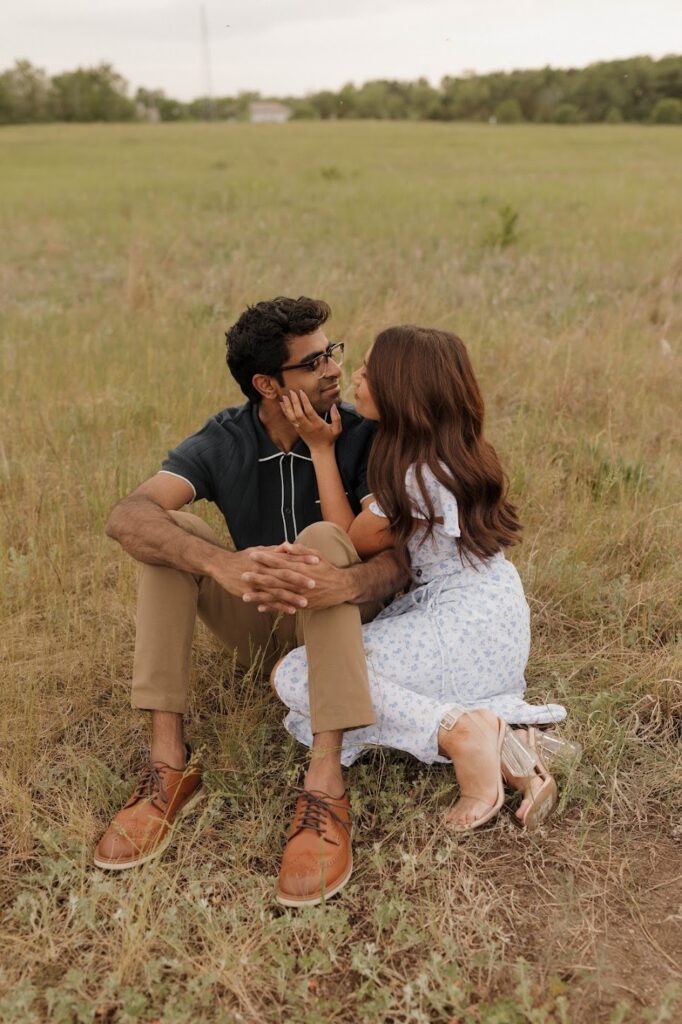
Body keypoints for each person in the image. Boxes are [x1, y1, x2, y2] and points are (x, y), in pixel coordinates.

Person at [94, 297, 407, 900]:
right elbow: (126, 515)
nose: (334, 370)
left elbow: (399, 559)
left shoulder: (366, 435)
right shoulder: (225, 439)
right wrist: (221, 563)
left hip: (348, 624)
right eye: (313, 362)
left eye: (332, 352)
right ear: (267, 383)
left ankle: (325, 784)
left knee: (323, 539)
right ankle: (168, 765)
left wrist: (346, 579)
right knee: (171, 537)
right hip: (261, 621)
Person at [272, 325, 567, 900]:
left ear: (403, 389)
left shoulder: (414, 477)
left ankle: (462, 732)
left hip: (458, 626)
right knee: (332, 694)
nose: (353, 374)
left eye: (369, 369)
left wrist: (323, 451)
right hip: (497, 623)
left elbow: (348, 538)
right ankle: (511, 740)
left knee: (299, 676)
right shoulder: (455, 457)